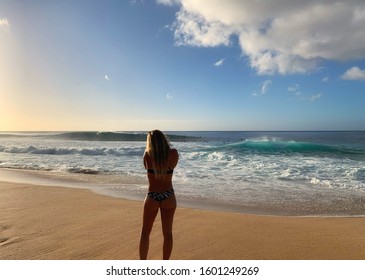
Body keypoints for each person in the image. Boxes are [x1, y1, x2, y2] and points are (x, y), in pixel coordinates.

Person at [139, 130, 179, 260]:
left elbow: (146, 166)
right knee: (167, 234)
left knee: (145, 233)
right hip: (168, 195)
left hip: (152, 196)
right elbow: (172, 165)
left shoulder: (147, 155)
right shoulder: (173, 154)